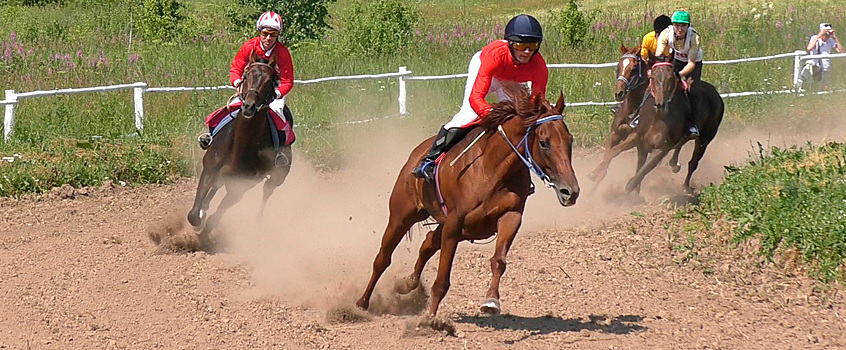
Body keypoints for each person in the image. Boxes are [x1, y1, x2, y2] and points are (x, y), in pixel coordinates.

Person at [411, 14, 549, 182]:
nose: (527, 51)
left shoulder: (539, 66)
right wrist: (492, 115)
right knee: (468, 115)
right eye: (521, 45)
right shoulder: (495, 55)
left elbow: (536, 102)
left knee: (519, 119)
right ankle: (430, 159)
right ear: (511, 44)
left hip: (510, 80)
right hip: (487, 72)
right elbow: (476, 98)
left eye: (532, 45)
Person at [198, 11, 295, 152]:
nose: (268, 38)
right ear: (259, 32)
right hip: (250, 86)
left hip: (272, 89)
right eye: (265, 33)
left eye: (273, 34)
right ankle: (211, 136)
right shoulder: (249, 46)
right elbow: (236, 69)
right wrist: (237, 83)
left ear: (277, 35)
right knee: (230, 108)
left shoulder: (282, 53)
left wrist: (277, 94)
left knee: (278, 112)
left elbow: (287, 81)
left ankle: (279, 152)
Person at [655, 9, 702, 136]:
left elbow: (691, 63)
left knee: (692, 89)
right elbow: (658, 55)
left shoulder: (694, 38)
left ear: (688, 26)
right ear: (672, 25)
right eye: (677, 25)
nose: (679, 29)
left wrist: (679, 75)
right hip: (676, 59)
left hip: (693, 64)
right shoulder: (665, 34)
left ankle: (692, 123)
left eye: (683, 26)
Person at [805, 23, 843, 91]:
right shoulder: (815, 38)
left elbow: (841, 52)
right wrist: (819, 36)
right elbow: (809, 48)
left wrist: (835, 38)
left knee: (825, 87)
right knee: (816, 87)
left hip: (826, 68)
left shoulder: (831, 41)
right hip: (816, 67)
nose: (827, 34)